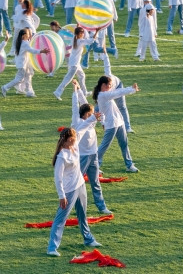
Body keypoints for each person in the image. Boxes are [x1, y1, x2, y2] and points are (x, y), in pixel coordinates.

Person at [46, 122, 102, 257]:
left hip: (80, 185)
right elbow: (58, 178)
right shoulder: (61, 157)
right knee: (61, 218)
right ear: (64, 141)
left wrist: (94, 117)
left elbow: (83, 128)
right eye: (71, 139)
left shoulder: (75, 146)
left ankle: (88, 239)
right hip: (69, 191)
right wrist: (62, 196)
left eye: (74, 138)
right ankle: (52, 247)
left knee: (83, 214)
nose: (74, 140)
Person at [70, 79, 111, 214]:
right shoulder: (77, 122)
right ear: (86, 114)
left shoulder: (91, 122)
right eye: (91, 113)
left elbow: (84, 103)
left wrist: (79, 88)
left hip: (93, 155)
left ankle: (101, 206)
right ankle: (72, 206)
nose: (94, 115)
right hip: (82, 157)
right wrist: (74, 92)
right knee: (76, 184)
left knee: (95, 183)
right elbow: (76, 106)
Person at [93, 75, 140, 173]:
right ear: (103, 85)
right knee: (104, 146)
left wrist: (102, 122)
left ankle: (129, 165)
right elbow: (118, 92)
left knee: (124, 144)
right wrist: (131, 89)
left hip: (119, 122)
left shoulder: (105, 94)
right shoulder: (102, 95)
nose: (110, 87)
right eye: (109, 85)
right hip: (111, 124)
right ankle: (94, 166)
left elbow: (102, 111)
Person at [1, 28, 47, 98]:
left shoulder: (22, 42)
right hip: (23, 65)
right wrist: (41, 51)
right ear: (23, 36)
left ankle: (29, 92)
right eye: (28, 34)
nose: (30, 35)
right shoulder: (25, 43)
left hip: (24, 64)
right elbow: (32, 50)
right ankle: (5, 87)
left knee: (28, 76)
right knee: (19, 79)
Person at [54, 27, 94, 100]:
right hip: (74, 64)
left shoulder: (74, 38)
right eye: (81, 33)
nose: (83, 34)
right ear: (78, 34)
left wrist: (78, 24)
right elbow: (91, 41)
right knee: (68, 79)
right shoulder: (80, 41)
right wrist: (97, 32)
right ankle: (58, 92)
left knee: (82, 76)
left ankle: (85, 92)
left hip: (75, 63)